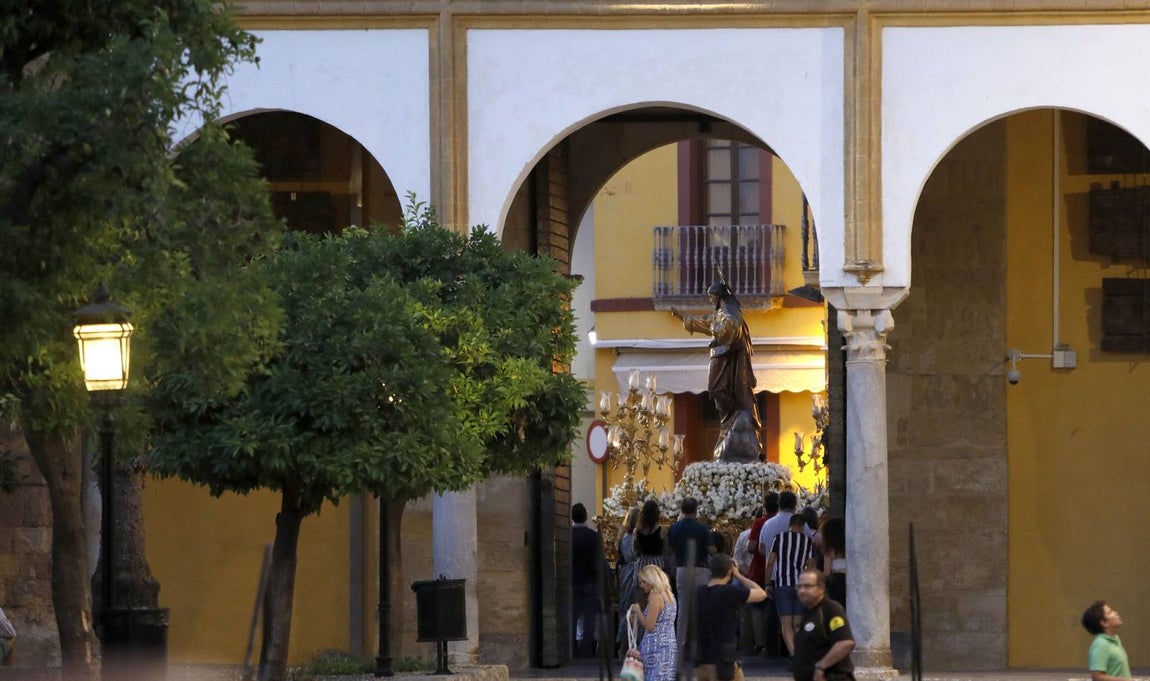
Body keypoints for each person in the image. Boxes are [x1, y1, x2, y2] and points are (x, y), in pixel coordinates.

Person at [673, 281, 761, 463]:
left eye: (712, 296)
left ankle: (732, 416)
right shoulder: (721, 313)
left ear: (720, 297)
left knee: (716, 388)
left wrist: (712, 327)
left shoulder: (730, 313)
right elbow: (708, 324)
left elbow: (727, 333)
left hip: (725, 358)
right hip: (719, 355)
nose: (710, 300)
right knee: (715, 390)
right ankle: (729, 419)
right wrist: (685, 319)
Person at [694, 553, 767, 681]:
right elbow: (761, 594)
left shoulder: (698, 592)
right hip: (723, 656)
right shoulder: (729, 592)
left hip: (701, 656)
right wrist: (738, 576)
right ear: (729, 571)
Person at [765, 513, 815, 662]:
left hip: (783, 584)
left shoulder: (779, 538)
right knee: (798, 624)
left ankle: (794, 656)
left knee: (786, 624)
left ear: (790, 525)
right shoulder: (807, 541)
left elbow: (770, 562)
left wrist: (767, 583)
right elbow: (811, 565)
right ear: (802, 526)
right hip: (800, 586)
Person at [793, 568, 855, 681]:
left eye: (807, 586)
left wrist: (821, 667)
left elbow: (845, 643)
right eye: (799, 586)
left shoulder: (831, 609)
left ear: (821, 588)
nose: (801, 591)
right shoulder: (809, 612)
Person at [630, 564, 678, 681]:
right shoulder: (669, 595)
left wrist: (638, 611)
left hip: (655, 647)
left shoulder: (655, 596)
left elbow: (650, 626)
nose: (641, 585)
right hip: (669, 645)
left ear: (651, 580)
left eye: (643, 582)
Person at [571, 502, 604, 657]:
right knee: (589, 619)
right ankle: (586, 651)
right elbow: (599, 559)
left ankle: (571, 650)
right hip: (590, 582)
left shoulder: (568, 536)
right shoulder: (593, 536)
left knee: (572, 618)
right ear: (585, 516)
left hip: (572, 581)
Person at [667, 496, 715, 596]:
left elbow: (669, 550)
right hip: (700, 569)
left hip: (682, 569)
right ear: (696, 510)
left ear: (682, 510)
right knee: (701, 605)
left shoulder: (674, 527)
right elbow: (712, 550)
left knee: (683, 606)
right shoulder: (703, 528)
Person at [1082, 600, 1132, 681]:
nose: (1116, 613)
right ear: (1104, 623)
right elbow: (1097, 676)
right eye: (1110, 612)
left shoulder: (1115, 640)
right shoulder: (1101, 644)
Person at [616, 507, 642, 656]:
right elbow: (636, 553)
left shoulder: (623, 536)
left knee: (626, 607)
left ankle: (623, 644)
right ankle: (628, 643)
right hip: (634, 571)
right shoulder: (634, 536)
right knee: (634, 608)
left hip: (626, 571)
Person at [819, 518, 846, 607]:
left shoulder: (830, 551)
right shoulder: (847, 548)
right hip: (850, 581)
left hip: (836, 582)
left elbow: (827, 572)